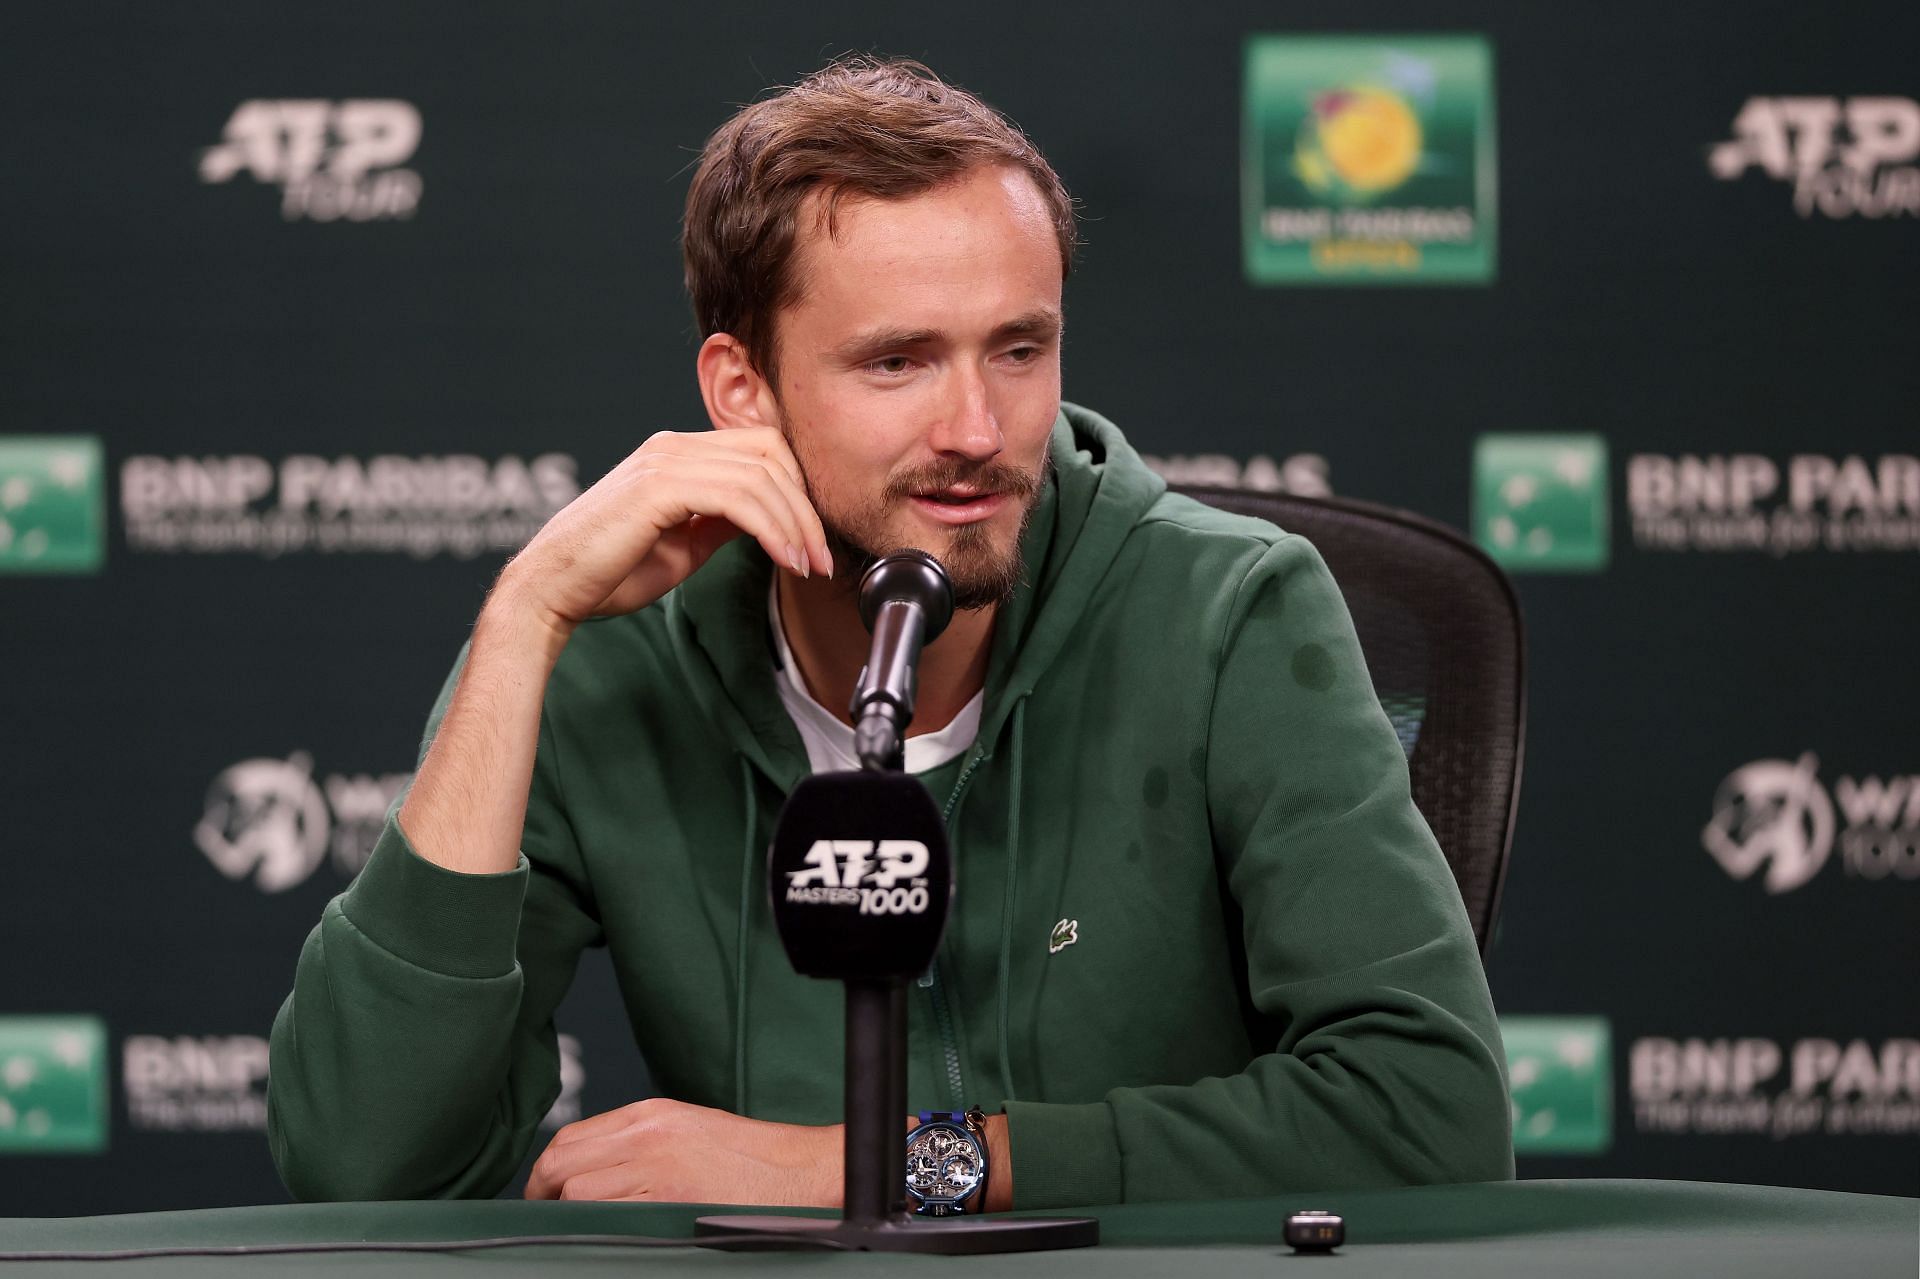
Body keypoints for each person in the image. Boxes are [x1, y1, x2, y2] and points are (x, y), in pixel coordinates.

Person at [266, 57, 1511, 1210]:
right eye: (898, 362)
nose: (976, 425)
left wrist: (870, 1167)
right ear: (740, 392)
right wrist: (524, 618)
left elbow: (1429, 1118)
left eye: (1018, 349)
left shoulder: (1231, 613)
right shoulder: (608, 652)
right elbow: (367, 1169)